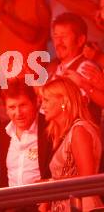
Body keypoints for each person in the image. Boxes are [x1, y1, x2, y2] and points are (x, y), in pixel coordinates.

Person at [41, 78, 102, 211]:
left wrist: (49, 183)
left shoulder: (79, 130)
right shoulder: (60, 135)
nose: (42, 107)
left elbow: (87, 178)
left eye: (46, 100)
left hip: (83, 206)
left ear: (63, 101)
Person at [0, 80, 52, 192]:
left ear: (35, 103)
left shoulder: (49, 128)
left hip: (41, 203)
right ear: (6, 110)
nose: (18, 113)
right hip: (12, 205)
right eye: (12, 107)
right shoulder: (3, 132)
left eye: (23, 105)